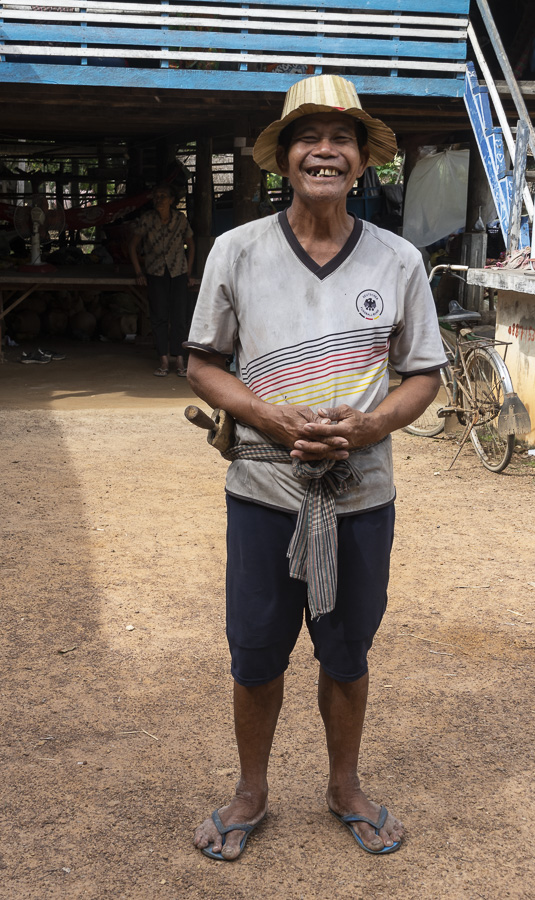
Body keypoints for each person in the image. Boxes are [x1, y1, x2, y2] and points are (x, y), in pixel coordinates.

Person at [185, 74, 447, 860]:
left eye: (341, 138)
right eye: (308, 137)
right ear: (283, 158)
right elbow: (203, 364)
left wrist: (366, 426)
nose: (323, 151)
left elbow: (423, 375)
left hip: (361, 493)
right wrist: (266, 414)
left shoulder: (397, 260)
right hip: (263, 490)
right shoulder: (237, 251)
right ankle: (250, 790)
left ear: (363, 162)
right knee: (257, 648)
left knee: (347, 649)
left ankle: (343, 785)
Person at [129, 183, 195, 376]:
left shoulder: (180, 219)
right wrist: (139, 272)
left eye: (163, 196)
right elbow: (132, 246)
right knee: (158, 317)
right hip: (155, 272)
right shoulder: (147, 219)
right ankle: (164, 360)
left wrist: (188, 272)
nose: (159, 199)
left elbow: (191, 245)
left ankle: (180, 360)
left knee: (179, 317)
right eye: (156, 196)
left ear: (172, 200)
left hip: (178, 272)